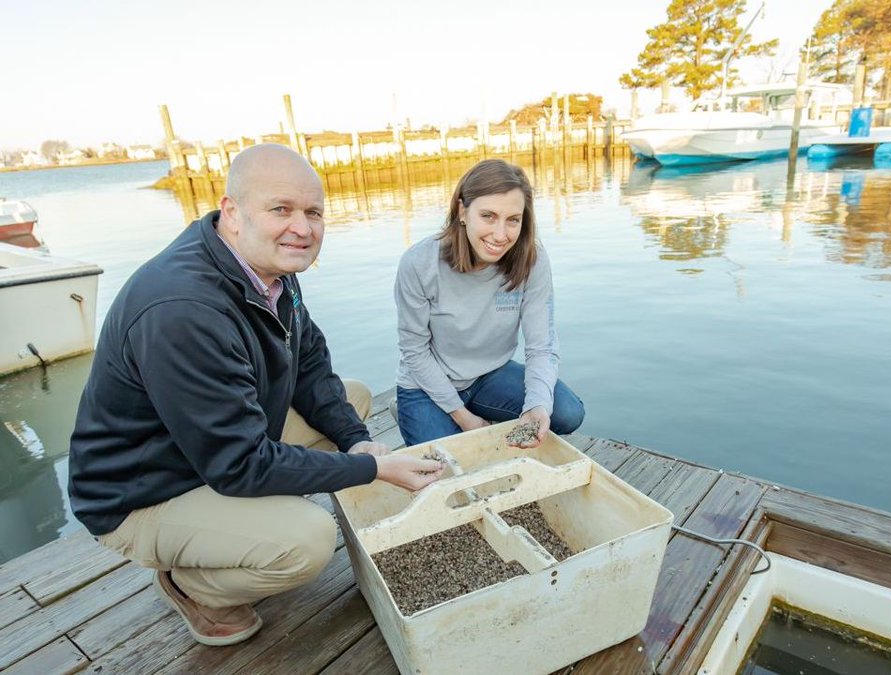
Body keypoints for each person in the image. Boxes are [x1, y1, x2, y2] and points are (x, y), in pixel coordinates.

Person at [68, 144, 443, 647]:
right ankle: (192, 586)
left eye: (313, 212)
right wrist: (373, 468)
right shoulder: (181, 308)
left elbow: (309, 365)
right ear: (232, 212)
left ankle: (243, 523)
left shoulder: (270, 269)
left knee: (348, 401)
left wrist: (355, 441)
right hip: (141, 492)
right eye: (281, 209)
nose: (303, 228)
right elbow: (240, 464)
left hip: (204, 451)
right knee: (308, 541)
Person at [394, 159, 585, 448]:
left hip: (489, 375)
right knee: (450, 466)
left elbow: (541, 345)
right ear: (462, 211)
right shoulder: (419, 262)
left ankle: (482, 411)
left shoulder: (532, 260)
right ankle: (411, 414)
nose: (500, 235)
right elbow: (414, 350)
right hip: (426, 386)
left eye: (513, 220)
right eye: (488, 216)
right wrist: (465, 419)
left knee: (568, 414)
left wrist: (537, 405)